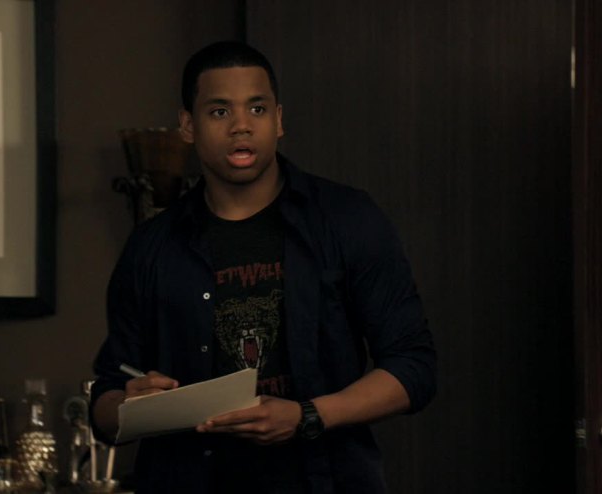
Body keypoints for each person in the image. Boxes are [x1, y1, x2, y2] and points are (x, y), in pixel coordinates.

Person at [90, 40, 436, 493]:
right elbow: (106, 401)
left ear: (279, 120)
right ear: (188, 126)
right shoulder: (150, 247)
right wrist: (129, 405)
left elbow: (413, 367)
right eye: (219, 111)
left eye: (257, 109)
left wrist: (307, 416)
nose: (241, 126)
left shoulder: (347, 219)